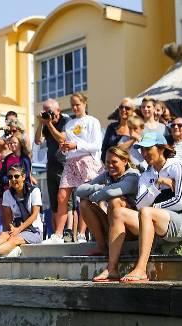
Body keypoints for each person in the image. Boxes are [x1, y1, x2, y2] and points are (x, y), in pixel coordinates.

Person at [103, 132, 182, 283]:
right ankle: (112, 269)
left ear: (161, 149)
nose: (144, 153)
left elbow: (181, 201)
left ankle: (140, 269)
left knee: (147, 212)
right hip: (157, 223)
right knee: (118, 212)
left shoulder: (178, 166)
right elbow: (140, 205)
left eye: (148, 149)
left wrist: (155, 208)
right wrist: (156, 186)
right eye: (142, 149)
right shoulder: (147, 174)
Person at [44, 93, 103, 244]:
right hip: (70, 162)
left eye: (78, 104)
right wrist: (65, 148)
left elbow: (96, 145)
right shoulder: (69, 124)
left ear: (84, 104)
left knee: (84, 197)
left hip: (87, 161)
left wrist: (76, 146)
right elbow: (64, 142)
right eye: (73, 105)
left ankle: (82, 234)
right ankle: (58, 234)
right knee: (62, 197)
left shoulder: (92, 121)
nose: (75, 107)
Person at [76, 147, 140, 261]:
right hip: (114, 224)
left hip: (133, 228)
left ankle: (114, 248)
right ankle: (102, 247)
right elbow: (79, 190)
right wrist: (100, 187)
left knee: (115, 201)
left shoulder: (133, 176)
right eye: (107, 162)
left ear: (125, 161)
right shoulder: (107, 175)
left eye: (114, 162)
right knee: (84, 204)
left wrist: (96, 194)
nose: (110, 165)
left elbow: (111, 192)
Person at [0, 165, 42, 259]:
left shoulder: (34, 191)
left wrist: (18, 230)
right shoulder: (7, 194)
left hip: (34, 231)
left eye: (16, 176)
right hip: (17, 228)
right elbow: (7, 218)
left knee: (13, 239)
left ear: (23, 177)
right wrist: (12, 227)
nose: (13, 179)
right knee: (4, 234)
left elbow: (34, 215)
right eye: (10, 177)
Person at [34, 98, 70, 232]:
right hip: (51, 167)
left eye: (50, 111)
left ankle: (70, 232)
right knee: (54, 203)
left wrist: (49, 124)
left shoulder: (66, 120)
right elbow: (38, 141)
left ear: (58, 110)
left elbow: (62, 138)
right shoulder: (47, 124)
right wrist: (40, 123)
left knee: (67, 202)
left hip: (65, 165)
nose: (48, 114)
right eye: (45, 111)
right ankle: (56, 234)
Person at [101, 98, 134, 162]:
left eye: (127, 108)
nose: (123, 110)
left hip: (132, 165)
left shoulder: (136, 127)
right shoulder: (112, 127)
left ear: (133, 111)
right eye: (121, 107)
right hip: (112, 165)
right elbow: (104, 149)